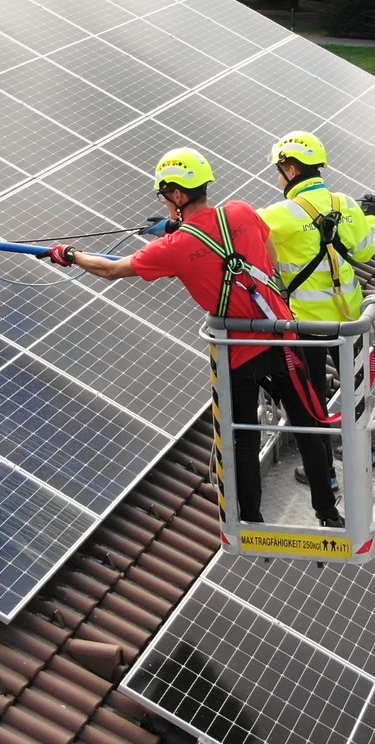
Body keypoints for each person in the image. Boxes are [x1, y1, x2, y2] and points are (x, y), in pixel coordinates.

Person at [47, 147, 341, 527]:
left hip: (239, 352)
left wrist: (70, 254)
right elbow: (267, 252)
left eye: (164, 196)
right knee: (307, 426)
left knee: (244, 440)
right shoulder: (241, 211)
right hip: (283, 337)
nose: (165, 203)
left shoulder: (176, 247)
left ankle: (251, 523)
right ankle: (328, 514)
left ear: (177, 194)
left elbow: (110, 269)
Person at [259, 132, 375, 486]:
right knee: (356, 387)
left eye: (279, 171)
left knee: (312, 398)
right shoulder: (345, 204)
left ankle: (324, 472)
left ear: (291, 169)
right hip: (352, 318)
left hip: (309, 327)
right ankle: (366, 451)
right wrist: (367, 216)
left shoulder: (278, 215)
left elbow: (234, 233)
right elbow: (365, 251)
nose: (279, 178)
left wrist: (178, 227)